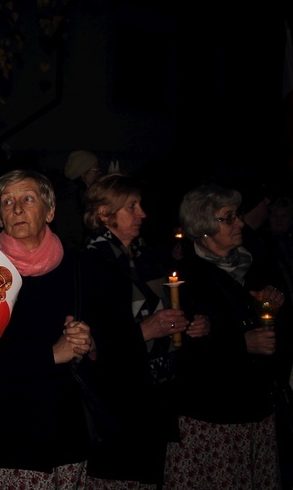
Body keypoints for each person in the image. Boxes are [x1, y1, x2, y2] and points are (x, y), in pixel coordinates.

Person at [0, 169, 95, 489]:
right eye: (7, 202)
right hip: (8, 434)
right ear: (0, 218)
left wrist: (89, 343)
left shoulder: (79, 266)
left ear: (50, 211)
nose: (17, 209)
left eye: (28, 199)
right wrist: (51, 355)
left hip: (66, 430)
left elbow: (110, 336)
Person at [80, 172, 210, 488]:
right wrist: (142, 333)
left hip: (156, 396)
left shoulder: (146, 255)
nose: (143, 214)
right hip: (118, 406)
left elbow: (173, 301)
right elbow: (91, 340)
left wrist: (195, 321)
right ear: (104, 213)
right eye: (132, 207)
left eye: (140, 205)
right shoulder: (90, 263)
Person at [169, 183, 288, 489]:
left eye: (236, 216)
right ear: (205, 226)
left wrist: (275, 303)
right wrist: (241, 343)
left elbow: (278, 323)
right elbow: (184, 347)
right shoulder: (186, 276)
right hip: (215, 413)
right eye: (229, 217)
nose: (239, 223)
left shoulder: (254, 261)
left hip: (258, 406)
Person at [52, 149, 103, 251]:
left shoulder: (83, 194)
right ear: (83, 172)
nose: (100, 173)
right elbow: (73, 236)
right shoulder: (69, 197)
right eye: (95, 169)